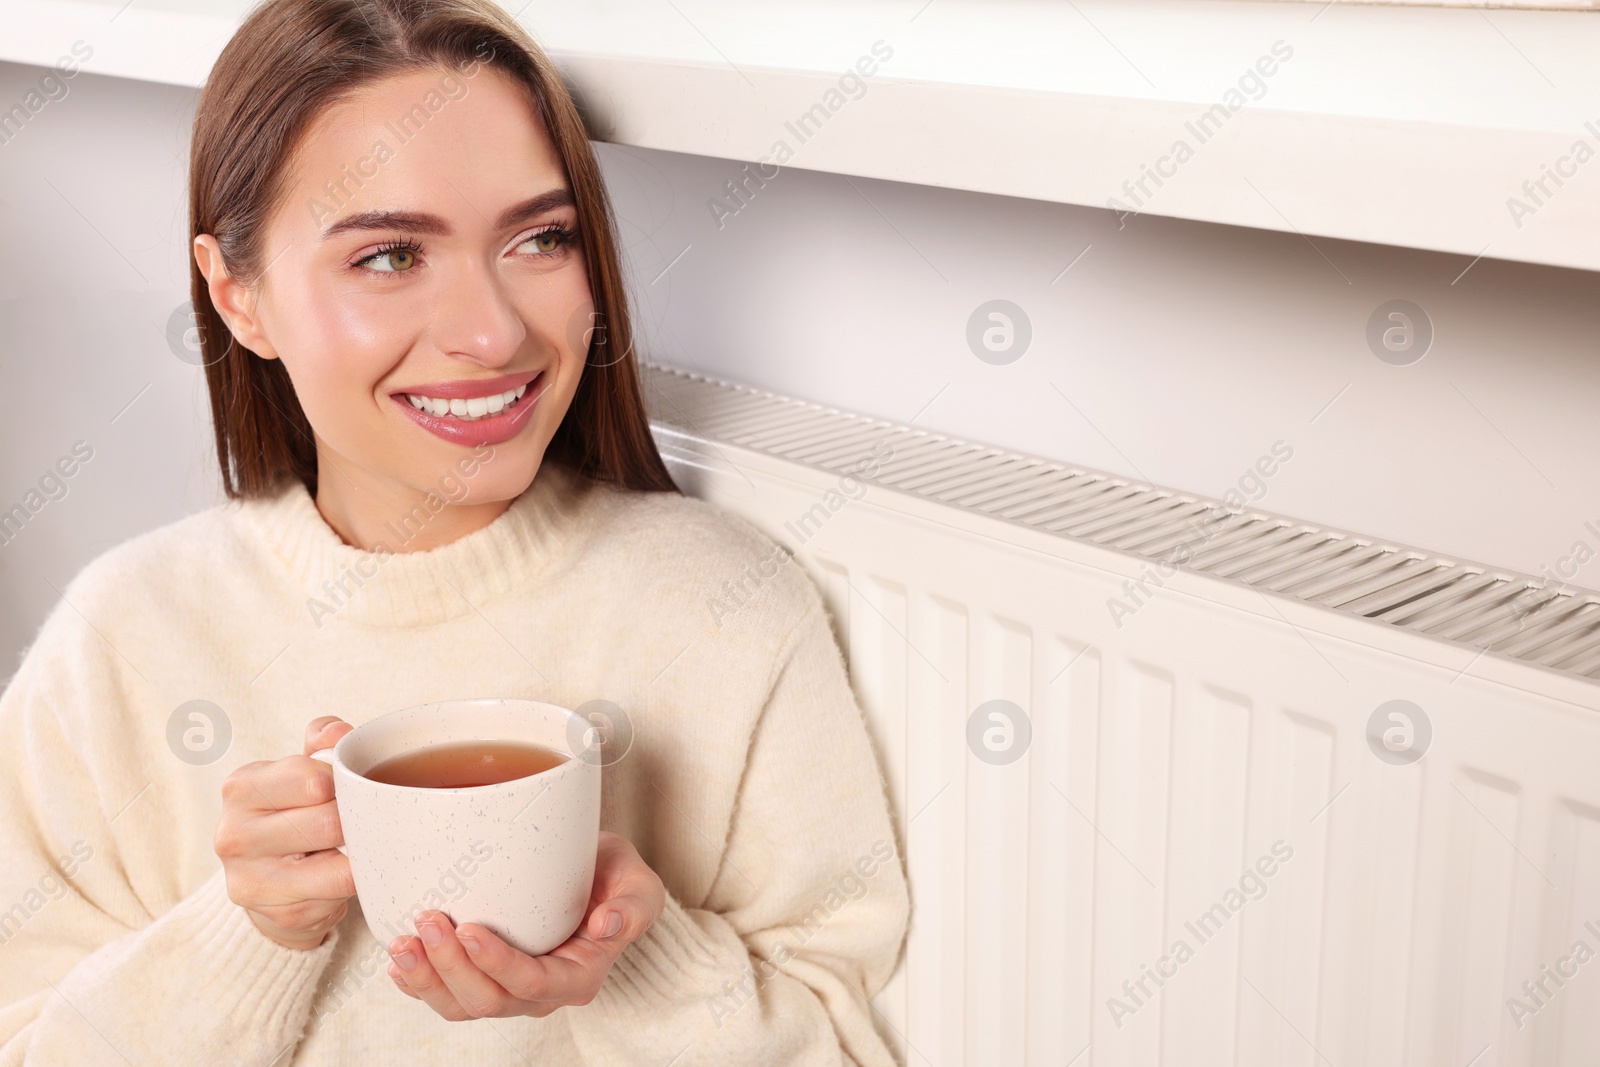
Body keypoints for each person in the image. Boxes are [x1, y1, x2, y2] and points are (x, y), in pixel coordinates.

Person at [0, 0, 908, 1062]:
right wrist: (244, 932)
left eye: (540, 238)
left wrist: (633, 956)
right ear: (237, 294)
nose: (492, 331)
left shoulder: (726, 608)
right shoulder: (124, 636)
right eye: (388, 255)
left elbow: (838, 1041)